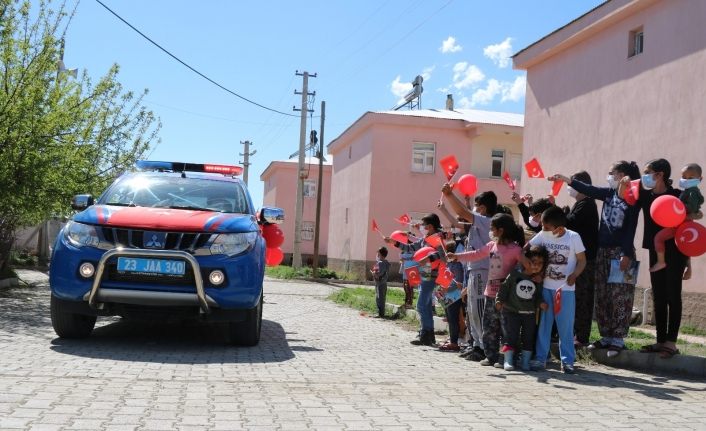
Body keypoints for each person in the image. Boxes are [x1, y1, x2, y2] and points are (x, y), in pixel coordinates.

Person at [551, 161, 641, 357]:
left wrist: (626, 253)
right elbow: (588, 188)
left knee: (620, 296)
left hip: (622, 252)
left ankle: (618, 338)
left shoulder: (633, 199)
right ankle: (606, 336)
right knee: (603, 295)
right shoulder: (607, 193)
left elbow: (630, 228)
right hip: (603, 251)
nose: (609, 176)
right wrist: (566, 179)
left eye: (612, 173)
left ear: (622, 176)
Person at [447, 213, 526, 367]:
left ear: (501, 230)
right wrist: (457, 256)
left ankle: (509, 358)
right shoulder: (491, 245)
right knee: (489, 327)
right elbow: (476, 254)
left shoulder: (515, 249)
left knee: (507, 327)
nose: (490, 231)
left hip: (507, 297)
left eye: (492, 228)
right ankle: (491, 356)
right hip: (490, 293)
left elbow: (526, 266)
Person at [635, 159, 690, 359]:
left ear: (659, 174)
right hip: (654, 250)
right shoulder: (645, 196)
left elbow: (686, 229)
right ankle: (660, 340)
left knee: (672, 296)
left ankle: (671, 342)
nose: (645, 176)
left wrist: (688, 263)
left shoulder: (677, 196)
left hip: (675, 252)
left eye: (647, 172)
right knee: (658, 296)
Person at [441, 186, 500, 362]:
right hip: (473, 269)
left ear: (483, 208)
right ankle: (476, 344)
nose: (474, 208)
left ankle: (484, 348)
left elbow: (461, 211)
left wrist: (449, 195)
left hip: (483, 270)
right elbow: (459, 220)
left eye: (476, 205)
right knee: (472, 310)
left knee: (480, 310)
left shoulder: (487, 221)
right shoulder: (478, 223)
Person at [528, 206, 586, 374]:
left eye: (546, 227)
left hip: (565, 291)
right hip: (546, 288)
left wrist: (575, 274)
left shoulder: (573, 237)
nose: (543, 230)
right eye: (542, 227)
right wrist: (535, 272)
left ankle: (567, 361)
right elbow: (529, 250)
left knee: (565, 327)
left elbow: (582, 261)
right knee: (544, 325)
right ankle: (540, 358)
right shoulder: (543, 234)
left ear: (559, 228)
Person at [386, 213, 446, 346]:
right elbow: (410, 247)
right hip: (423, 272)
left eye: (424, 225)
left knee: (420, 304)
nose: (422, 227)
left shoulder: (438, 238)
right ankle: (427, 335)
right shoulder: (425, 239)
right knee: (426, 305)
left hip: (432, 273)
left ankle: (426, 333)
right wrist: (394, 242)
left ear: (430, 226)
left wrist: (428, 258)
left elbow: (443, 255)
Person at [496, 245, 548, 371]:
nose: (536, 266)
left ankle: (525, 362)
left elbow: (538, 295)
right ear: (526, 261)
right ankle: (508, 361)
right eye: (533, 262)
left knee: (528, 338)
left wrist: (541, 303)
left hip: (529, 314)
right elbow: (504, 287)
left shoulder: (538, 280)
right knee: (510, 337)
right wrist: (499, 300)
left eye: (540, 263)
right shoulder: (515, 274)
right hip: (511, 311)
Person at [562, 171, 599, 348]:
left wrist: (561, 213)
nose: (569, 188)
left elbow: (570, 223)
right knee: (574, 297)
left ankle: (581, 336)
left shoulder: (587, 204)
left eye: (572, 184)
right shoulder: (579, 203)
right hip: (576, 257)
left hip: (586, 259)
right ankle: (573, 333)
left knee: (583, 297)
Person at [650, 163, 703, 272]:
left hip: (680, 223)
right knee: (684, 244)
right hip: (682, 223)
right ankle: (685, 266)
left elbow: (691, 207)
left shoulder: (692, 192)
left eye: (690, 178)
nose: (686, 180)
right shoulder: (688, 191)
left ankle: (661, 262)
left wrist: (678, 208)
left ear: (700, 179)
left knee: (658, 238)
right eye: (684, 177)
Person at [437, 241, 466, 352]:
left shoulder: (457, 265)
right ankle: (452, 339)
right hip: (446, 295)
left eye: (447, 253)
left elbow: (458, 283)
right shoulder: (448, 264)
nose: (445, 255)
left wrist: (447, 289)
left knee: (453, 319)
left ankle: (454, 342)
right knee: (449, 318)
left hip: (454, 296)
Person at [371, 246, 390, 318]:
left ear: (380, 254)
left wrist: (374, 274)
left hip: (380, 283)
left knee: (379, 298)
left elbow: (379, 273)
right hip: (383, 283)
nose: (377, 255)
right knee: (381, 298)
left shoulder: (381, 263)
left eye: (378, 253)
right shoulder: (386, 262)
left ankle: (380, 313)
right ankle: (381, 312)